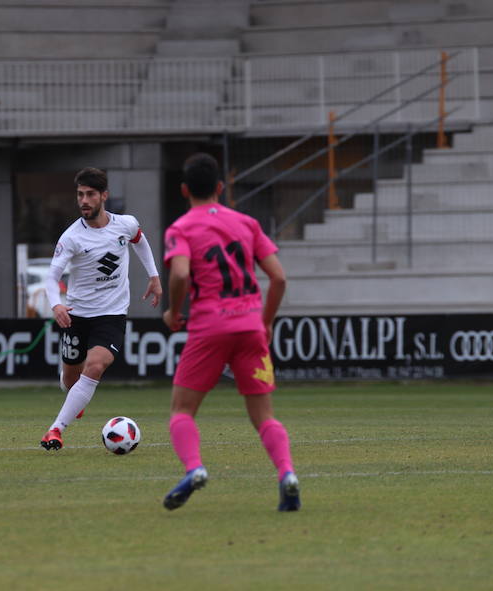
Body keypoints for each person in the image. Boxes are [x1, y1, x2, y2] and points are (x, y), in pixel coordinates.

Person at [160, 153, 300, 511]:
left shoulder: (181, 228)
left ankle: (194, 468)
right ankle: (287, 474)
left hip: (209, 328)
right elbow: (280, 278)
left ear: (185, 190)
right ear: (220, 188)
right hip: (251, 327)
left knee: (181, 409)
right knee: (264, 415)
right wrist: (266, 321)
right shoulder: (247, 223)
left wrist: (175, 313)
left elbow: (179, 274)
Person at [40, 167, 162, 450]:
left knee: (95, 365)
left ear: (104, 196)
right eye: (80, 194)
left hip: (112, 314)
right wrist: (56, 304)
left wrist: (154, 277)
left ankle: (55, 430)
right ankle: (74, 400)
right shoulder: (71, 237)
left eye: (90, 194)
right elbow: (51, 277)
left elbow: (140, 242)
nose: (84, 200)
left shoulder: (126, 224)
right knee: (70, 378)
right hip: (77, 315)